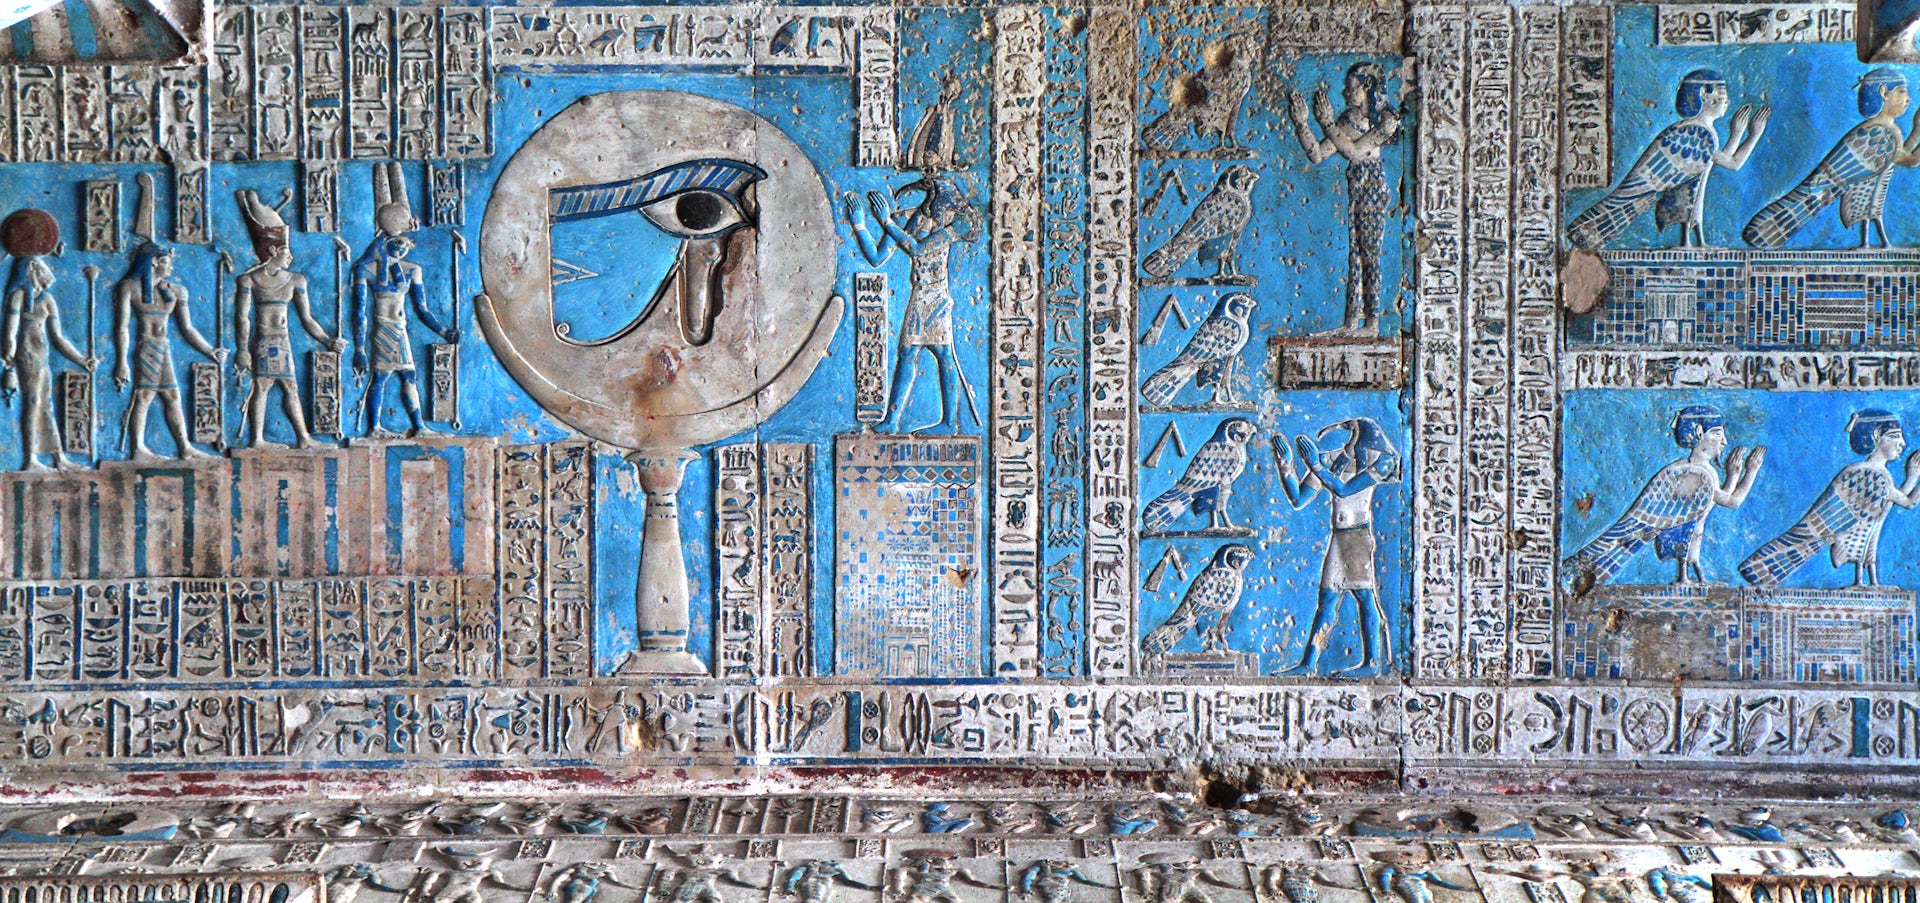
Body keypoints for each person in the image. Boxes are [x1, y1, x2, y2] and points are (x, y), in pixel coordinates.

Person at [1563, 405, 1764, 588]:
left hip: (1686, 532)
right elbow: (1732, 501)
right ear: (1699, 432)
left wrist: (1733, 473)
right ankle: (1684, 578)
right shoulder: (1694, 474)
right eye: (1717, 434)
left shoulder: (1705, 471)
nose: (1724, 441)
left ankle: (1698, 578)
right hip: (1655, 527)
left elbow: (1717, 501)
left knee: (1695, 531)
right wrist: (1752, 470)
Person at [1568, 69, 1768, 249]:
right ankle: (1688, 242)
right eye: (1720, 96)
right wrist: (1751, 134)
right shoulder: (1695, 131)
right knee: (1687, 192)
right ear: (1703, 97)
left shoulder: (1706, 131)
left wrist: (1740, 132)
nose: (1726, 102)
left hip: (1681, 191)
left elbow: (1728, 162)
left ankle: (1697, 241)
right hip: (1652, 183)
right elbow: (1731, 163)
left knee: (1695, 190)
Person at [845, 174, 982, 434]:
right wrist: (860, 225)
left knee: (943, 354)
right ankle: (892, 421)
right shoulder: (910, 217)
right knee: (907, 354)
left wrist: (885, 221)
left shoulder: (957, 221)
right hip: (919, 294)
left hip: (936, 295)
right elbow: (876, 258)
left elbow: (919, 250)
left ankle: (950, 423)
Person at [1272, 417, 1401, 676]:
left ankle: (1371, 663)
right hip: (1339, 537)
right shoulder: (1335, 460)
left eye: (1353, 431)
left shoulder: (1381, 461)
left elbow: (1343, 490)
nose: (1350, 438)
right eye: (1349, 431)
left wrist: (1317, 465)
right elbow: (1299, 499)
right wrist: (1286, 466)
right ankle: (1309, 664)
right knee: (1327, 600)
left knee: (1365, 598)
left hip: (1357, 537)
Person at [1282, 63, 1402, 334]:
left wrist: (1326, 122)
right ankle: (1351, 322)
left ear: (1367, 87)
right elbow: (1317, 154)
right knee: (1355, 256)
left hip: (1372, 187)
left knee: (1370, 253)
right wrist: (1302, 122)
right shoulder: (1348, 119)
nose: (1344, 91)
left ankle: (1371, 323)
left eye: (1351, 87)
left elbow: (1356, 151)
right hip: (1357, 187)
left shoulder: (1386, 120)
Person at [1740, 409, 1920, 587]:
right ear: (1876, 436)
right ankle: (1861, 582)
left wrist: (1912, 476)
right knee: (1863, 540)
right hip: (1840, 530)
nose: (1902, 443)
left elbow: (1896, 501)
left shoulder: (1880, 475)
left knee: (1870, 538)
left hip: (1860, 533)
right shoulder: (1869, 474)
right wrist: (1913, 477)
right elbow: (1908, 502)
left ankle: (1870, 582)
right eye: (1895, 436)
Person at [1745, 68, 1920, 248]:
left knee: (1871, 207)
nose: (1908, 99)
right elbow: (1911, 160)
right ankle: (1871, 243)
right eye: (1901, 91)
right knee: (1869, 208)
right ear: (1884, 93)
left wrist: (1916, 128)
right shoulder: (1883, 132)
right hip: (1835, 180)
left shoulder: (1885, 130)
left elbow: (1901, 157)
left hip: (1847, 183)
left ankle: (1870, 242)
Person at [234, 189, 344, 448]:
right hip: (263, 340)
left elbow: (307, 318)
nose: (291, 256)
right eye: (286, 251)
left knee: (289, 388)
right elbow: (242, 318)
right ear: (272, 249)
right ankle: (258, 439)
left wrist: (327, 340)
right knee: (262, 386)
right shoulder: (248, 279)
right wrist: (242, 350)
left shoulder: (296, 280)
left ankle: (303, 438)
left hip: (282, 341)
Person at [353, 162, 455, 437]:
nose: (400, 247)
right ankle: (374, 427)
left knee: (408, 376)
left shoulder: (412, 271)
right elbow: (359, 312)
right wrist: (360, 350)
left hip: (399, 330)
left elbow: (422, 309)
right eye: (395, 244)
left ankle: (419, 426)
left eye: (404, 244)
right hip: (383, 329)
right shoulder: (367, 269)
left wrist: (443, 330)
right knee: (382, 377)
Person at [114, 242, 222, 459]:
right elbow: (122, 328)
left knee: (172, 395)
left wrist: (210, 351)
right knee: (144, 395)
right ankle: (138, 449)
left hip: (164, 347)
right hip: (147, 346)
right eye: (167, 262)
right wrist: (122, 362)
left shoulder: (176, 291)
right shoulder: (129, 288)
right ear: (154, 262)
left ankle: (185, 447)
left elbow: (188, 328)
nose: (172, 267)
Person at [2, 227, 94, 472]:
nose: (47, 271)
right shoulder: (19, 297)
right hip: (27, 356)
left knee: (46, 404)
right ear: (31, 270)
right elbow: (10, 334)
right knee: (33, 403)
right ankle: (31, 459)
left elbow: (59, 338)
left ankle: (58, 457)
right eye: (41, 267)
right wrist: (8, 358)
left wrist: (82, 360)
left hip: (42, 357)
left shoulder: (47, 300)